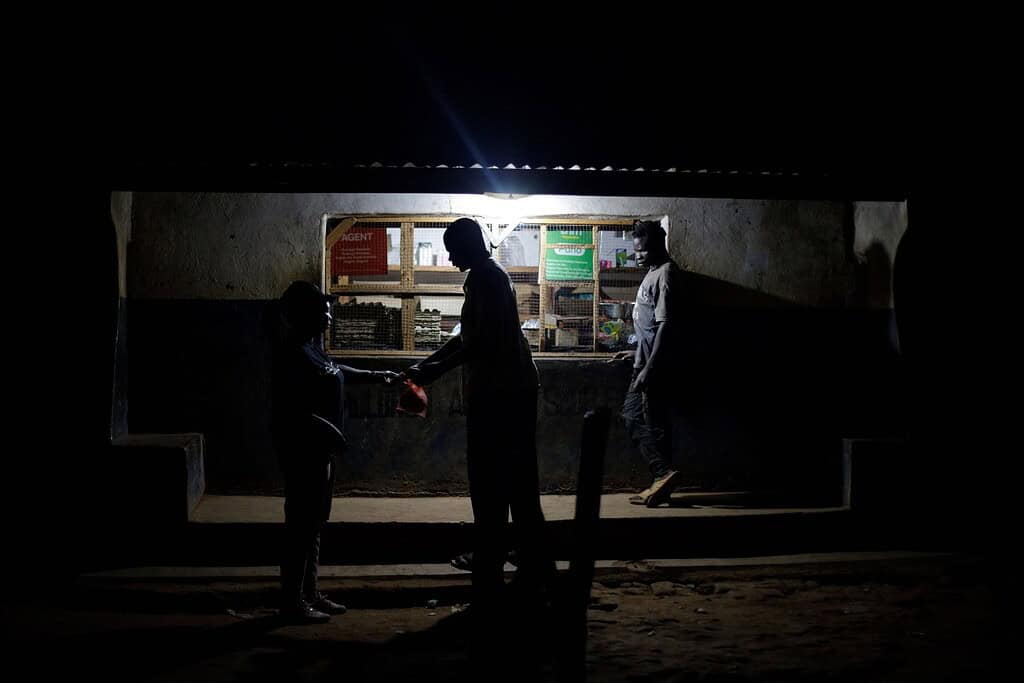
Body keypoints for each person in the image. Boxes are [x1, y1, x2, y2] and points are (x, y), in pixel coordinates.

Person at [403, 217, 554, 613]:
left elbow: (479, 343)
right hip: (510, 392)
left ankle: (491, 579)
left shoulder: (486, 279)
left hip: (502, 397)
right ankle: (531, 572)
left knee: (492, 485)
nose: (450, 256)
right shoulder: (487, 277)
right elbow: (464, 338)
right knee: (518, 486)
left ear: (469, 245)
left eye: (453, 248)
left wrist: (431, 370)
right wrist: (427, 365)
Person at [272, 280, 398, 622]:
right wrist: (332, 434)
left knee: (312, 525)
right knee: (300, 526)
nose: (329, 314)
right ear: (303, 315)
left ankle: (308, 594)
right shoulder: (291, 355)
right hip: (305, 454)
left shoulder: (312, 347)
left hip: (321, 452)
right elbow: (293, 412)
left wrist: (378, 375)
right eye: (322, 310)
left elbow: (337, 371)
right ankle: (291, 602)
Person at [611, 220, 683, 507]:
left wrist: (649, 367)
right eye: (635, 251)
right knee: (649, 422)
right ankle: (660, 482)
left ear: (655, 246)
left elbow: (666, 326)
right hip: (644, 361)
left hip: (654, 367)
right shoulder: (652, 272)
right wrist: (635, 353)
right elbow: (650, 328)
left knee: (636, 418)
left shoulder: (665, 274)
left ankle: (663, 474)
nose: (636, 256)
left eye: (641, 251)